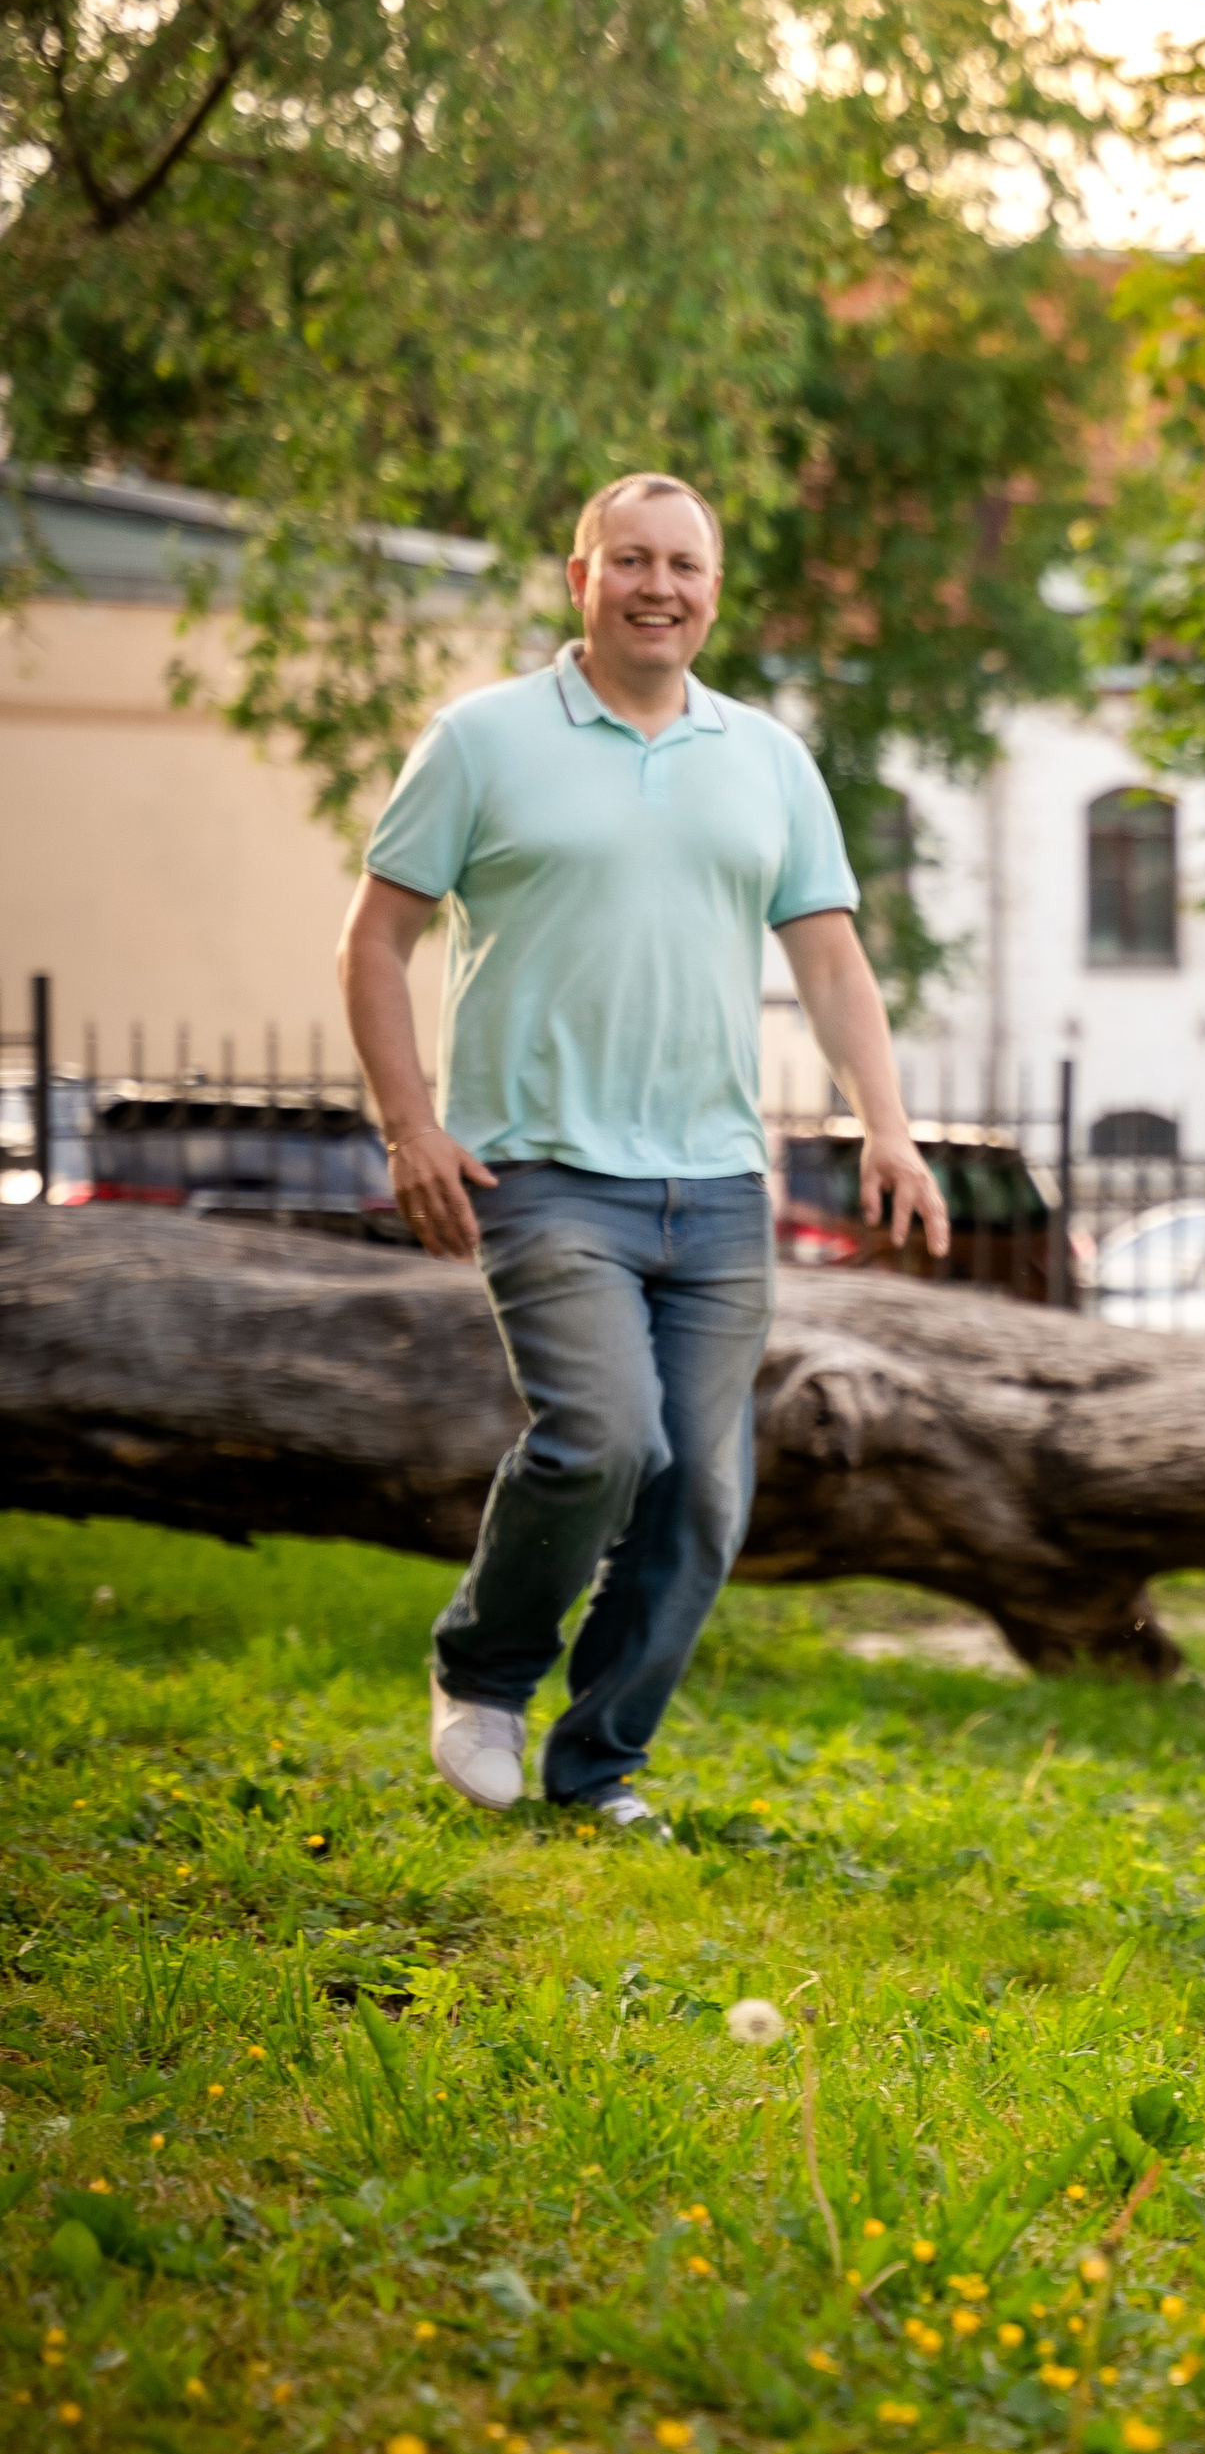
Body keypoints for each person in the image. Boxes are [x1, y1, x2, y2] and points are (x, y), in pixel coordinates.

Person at [338, 469, 948, 1826]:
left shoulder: (767, 759)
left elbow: (834, 962)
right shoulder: (482, 739)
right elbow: (375, 938)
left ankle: (598, 1766)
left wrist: (887, 1127)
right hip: (542, 1168)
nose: (658, 586)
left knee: (704, 1499)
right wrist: (408, 1125)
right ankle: (482, 1674)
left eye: (684, 564)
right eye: (631, 560)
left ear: (714, 593)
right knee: (605, 1442)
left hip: (721, 1183)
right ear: (580, 578)